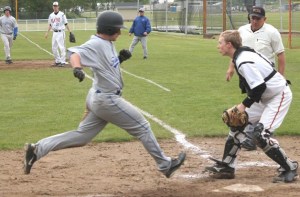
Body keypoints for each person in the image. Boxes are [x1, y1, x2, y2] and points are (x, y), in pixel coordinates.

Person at [23, 11, 186, 178]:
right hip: (107, 99)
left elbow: (105, 65)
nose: (120, 32)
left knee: (82, 136)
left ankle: (37, 149)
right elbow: (73, 54)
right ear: (109, 29)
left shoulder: (105, 42)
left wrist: (119, 59)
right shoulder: (97, 43)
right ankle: (165, 165)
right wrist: (77, 68)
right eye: (117, 29)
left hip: (97, 96)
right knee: (143, 127)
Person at [205, 30, 298, 183]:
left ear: (229, 45)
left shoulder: (243, 60)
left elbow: (259, 87)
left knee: (261, 134)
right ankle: (228, 166)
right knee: (236, 125)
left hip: (278, 95)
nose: (218, 46)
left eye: (220, 42)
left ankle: (290, 167)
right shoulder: (240, 55)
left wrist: (242, 106)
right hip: (264, 97)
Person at [225, 6, 287, 151]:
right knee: (256, 102)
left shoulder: (272, 32)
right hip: (248, 72)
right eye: (252, 17)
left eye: (258, 18)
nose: (254, 20)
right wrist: (231, 68)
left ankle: (260, 134)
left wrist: (281, 77)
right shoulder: (242, 30)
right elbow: (236, 52)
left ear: (264, 19)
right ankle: (254, 136)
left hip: (266, 74)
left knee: (260, 100)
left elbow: (281, 56)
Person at [45, 1, 72, 67]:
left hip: (61, 32)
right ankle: (57, 61)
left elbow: (66, 23)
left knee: (61, 47)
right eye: (54, 6)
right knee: (54, 48)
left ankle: (62, 62)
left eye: (56, 6)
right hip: (54, 33)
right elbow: (50, 24)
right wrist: (47, 32)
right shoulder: (51, 15)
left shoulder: (62, 14)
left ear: (58, 7)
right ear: (53, 7)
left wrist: (70, 32)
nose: (55, 7)